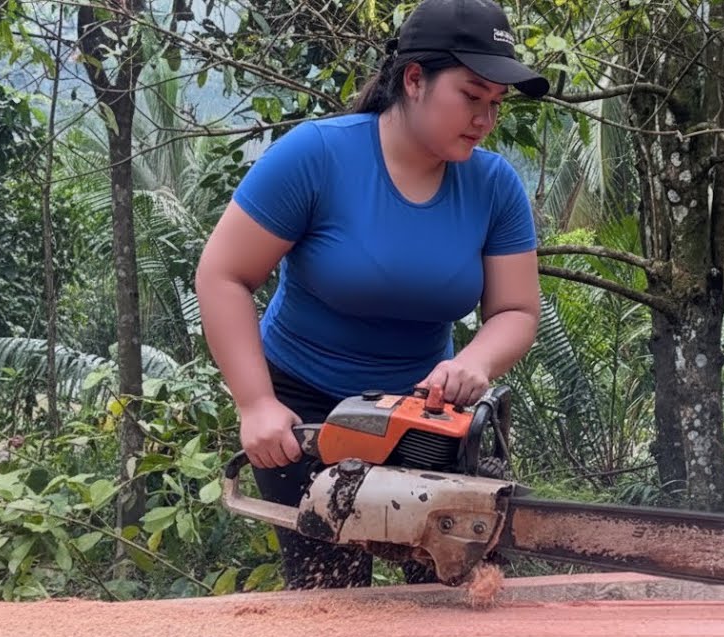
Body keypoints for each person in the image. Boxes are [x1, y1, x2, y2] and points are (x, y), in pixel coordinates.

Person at [194, 0, 549, 590]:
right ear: (414, 79)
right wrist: (255, 405)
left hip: (424, 414)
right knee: (331, 598)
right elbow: (223, 275)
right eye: (471, 95)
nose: (485, 118)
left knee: (458, 587)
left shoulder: (494, 186)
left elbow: (515, 310)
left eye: (495, 103)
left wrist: (473, 363)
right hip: (304, 413)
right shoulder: (317, 156)